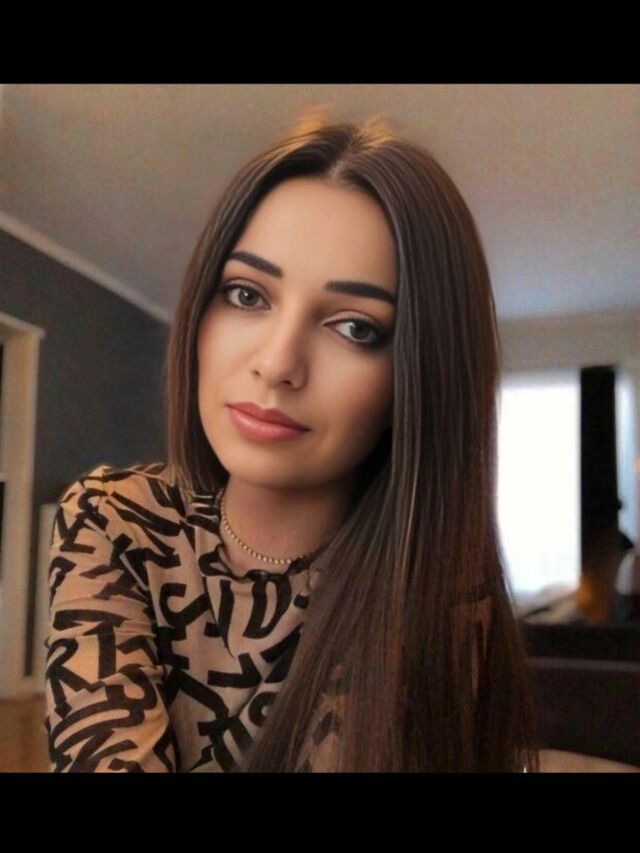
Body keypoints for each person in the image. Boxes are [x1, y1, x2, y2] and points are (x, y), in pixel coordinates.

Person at [44, 107, 541, 772]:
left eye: (355, 327)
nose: (278, 363)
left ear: (417, 382)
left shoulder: (435, 598)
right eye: (247, 295)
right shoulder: (116, 520)